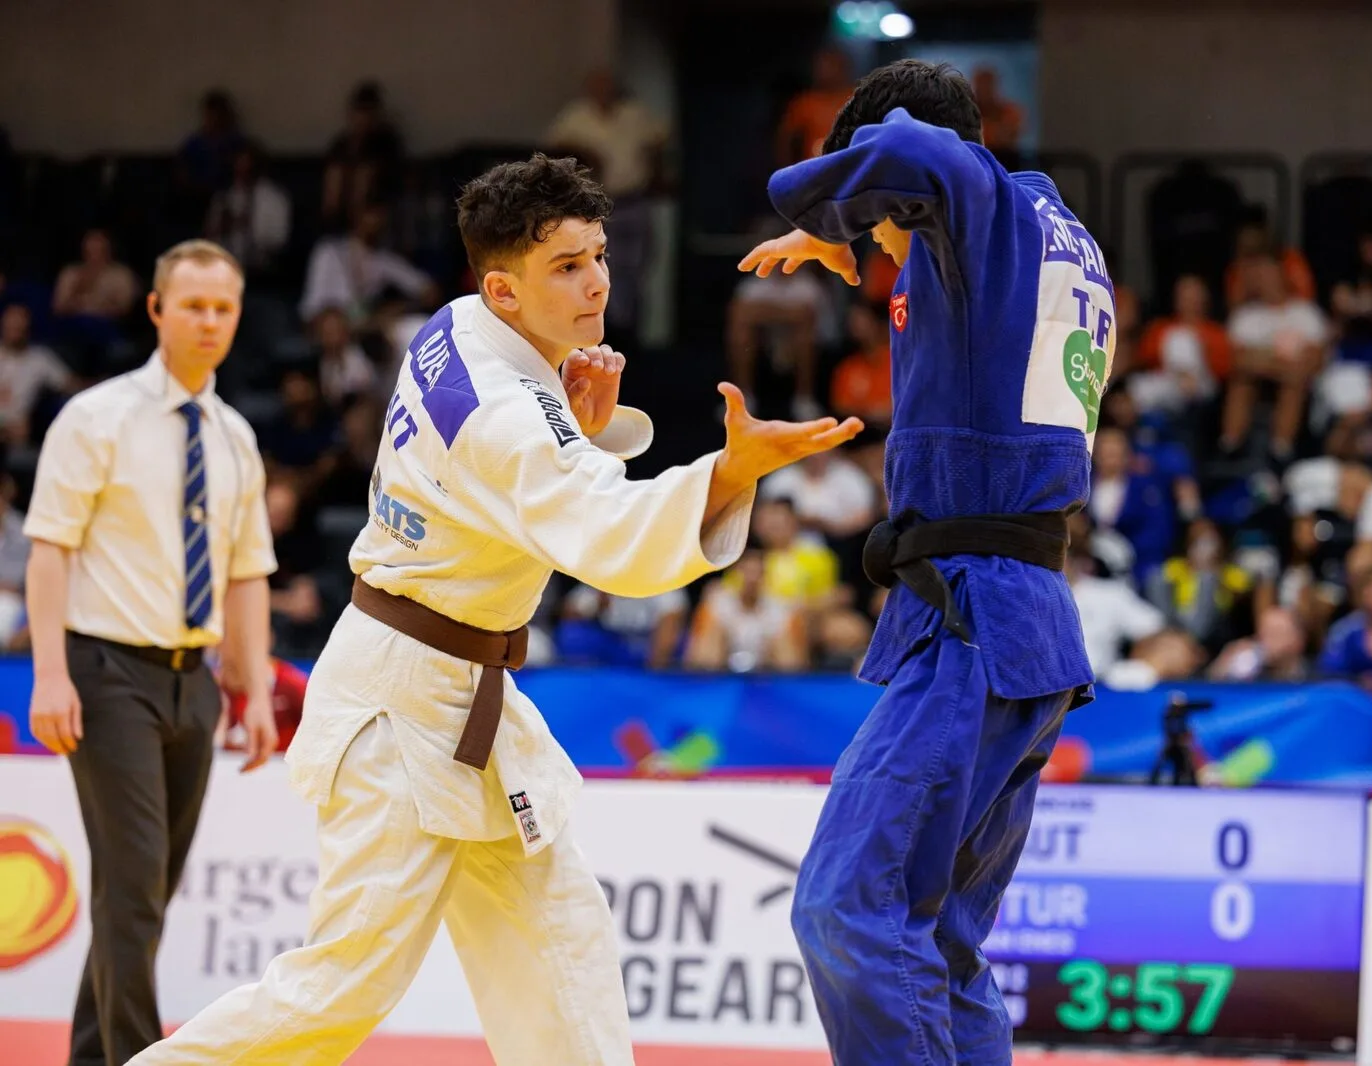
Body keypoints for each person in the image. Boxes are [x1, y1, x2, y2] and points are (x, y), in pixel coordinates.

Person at [129, 154, 861, 1065]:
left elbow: (529, 470)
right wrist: (730, 469)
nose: (596, 280)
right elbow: (597, 531)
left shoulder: (455, 327)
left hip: (457, 688)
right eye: (567, 267)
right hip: (402, 710)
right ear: (504, 289)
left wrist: (575, 415)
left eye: (596, 255)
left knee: (562, 947)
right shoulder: (504, 416)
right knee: (341, 987)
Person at [739, 59, 1112, 1066]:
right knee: (939, 944)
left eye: (889, 226)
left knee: (844, 907)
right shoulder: (1064, 244)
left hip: (976, 623)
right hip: (1019, 622)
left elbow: (914, 151)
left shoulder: (983, 207)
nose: (884, 250)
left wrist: (828, 208)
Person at [24, 239, 279, 1066]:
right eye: (194, 305)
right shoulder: (95, 417)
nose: (210, 321)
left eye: (224, 308)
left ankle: (94, 1058)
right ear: (157, 310)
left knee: (148, 894)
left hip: (191, 683)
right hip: (105, 675)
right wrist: (51, 674)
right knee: (133, 889)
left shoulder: (236, 436)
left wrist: (253, 688)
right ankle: (140, 1059)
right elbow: (49, 550)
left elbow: (246, 574)